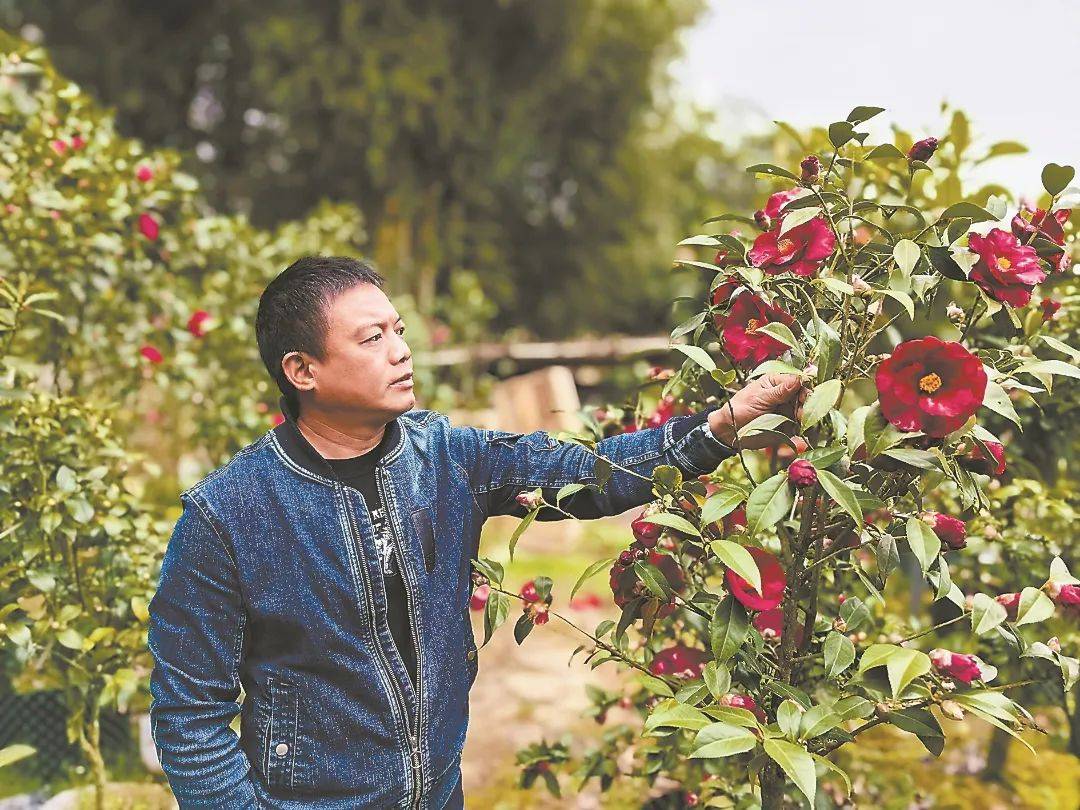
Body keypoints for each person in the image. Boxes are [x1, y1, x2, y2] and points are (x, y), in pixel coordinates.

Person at [147, 255, 804, 809]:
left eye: (398, 329)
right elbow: (189, 719)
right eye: (371, 338)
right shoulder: (228, 516)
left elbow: (588, 474)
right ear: (302, 371)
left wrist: (718, 426)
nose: (401, 350)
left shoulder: (446, 458)